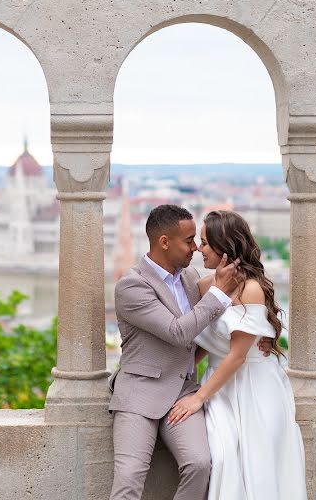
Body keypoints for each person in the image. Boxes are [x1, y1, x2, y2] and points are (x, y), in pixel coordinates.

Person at [109, 204, 271, 500]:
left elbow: (244, 292)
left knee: (199, 464)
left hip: (183, 390)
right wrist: (219, 293)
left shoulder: (190, 277)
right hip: (139, 393)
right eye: (189, 241)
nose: (196, 248)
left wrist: (262, 333)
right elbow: (178, 332)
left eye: (199, 241)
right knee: (130, 474)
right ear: (164, 242)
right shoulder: (132, 286)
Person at [166, 210, 308, 500]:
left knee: (257, 468)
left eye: (205, 243)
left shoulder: (252, 290)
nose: (198, 249)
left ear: (224, 247)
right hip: (220, 386)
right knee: (223, 456)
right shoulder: (205, 286)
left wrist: (197, 398)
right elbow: (205, 340)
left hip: (254, 389)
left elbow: (237, 356)